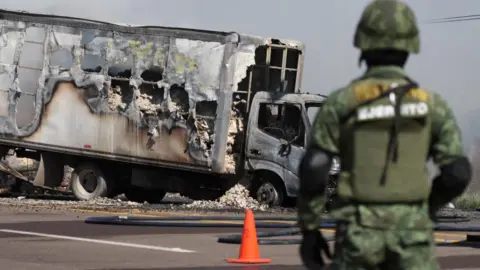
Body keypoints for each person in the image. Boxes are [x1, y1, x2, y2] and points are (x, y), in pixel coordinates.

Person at [297, 0, 472, 269]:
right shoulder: (431, 105)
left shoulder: (342, 103)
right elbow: (457, 172)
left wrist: (310, 229)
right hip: (413, 238)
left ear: (363, 43)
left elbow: (315, 167)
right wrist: (427, 209)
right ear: (410, 45)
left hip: (358, 235)